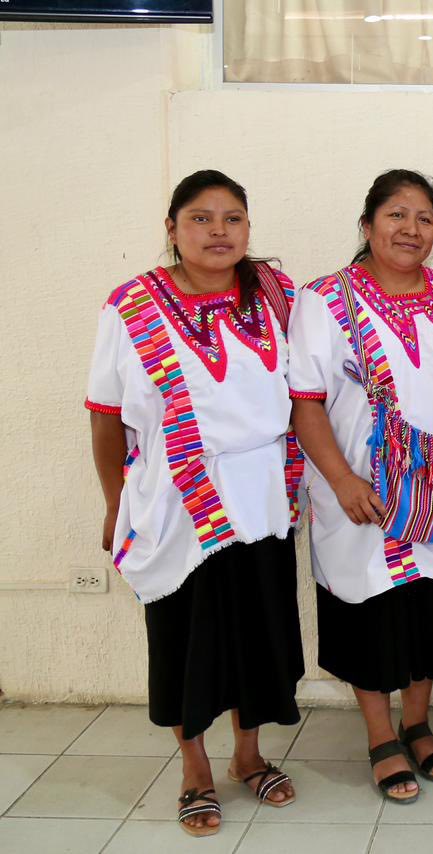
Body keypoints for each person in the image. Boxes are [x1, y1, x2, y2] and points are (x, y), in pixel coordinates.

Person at [87, 170, 304, 837]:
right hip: (177, 502)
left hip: (262, 496)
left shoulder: (275, 293)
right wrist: (114, 502)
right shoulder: (131, 307)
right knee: (185, 638)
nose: (218, 232)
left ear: (248, 226)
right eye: (201, 218)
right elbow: (104, 416)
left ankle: (248, 755)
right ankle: (194, 769)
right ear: (172, 228)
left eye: (232, 218)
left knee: (260, 631)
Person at [288, 169, 433, 804]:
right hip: (360, 493)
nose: (411, 229)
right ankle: (380, 736)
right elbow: (307, 401)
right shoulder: (325, 299)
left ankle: (419, 724)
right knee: (370, 611)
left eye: (424, 218)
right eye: (396, 216)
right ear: (368, 224)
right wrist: (342, 478)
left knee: (430, 610)